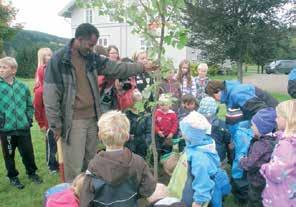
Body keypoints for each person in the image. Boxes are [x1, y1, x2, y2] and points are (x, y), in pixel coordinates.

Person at [43, 23, 157, 182]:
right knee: (74, 167)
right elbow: (50, 95)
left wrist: (141, 67)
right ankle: (74, 198)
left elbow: (117, 67)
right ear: (79, 39)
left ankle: (88, 194)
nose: (92, 48)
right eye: (90, 44)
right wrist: (55, 125)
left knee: (90, 163)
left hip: (93, 118)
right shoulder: (59, 60)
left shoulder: (92, 58)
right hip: (73, 121)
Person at [79, 110, 168, 207]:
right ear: (127, 136)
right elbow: (148, 189)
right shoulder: (138, 162)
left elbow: (85, 200)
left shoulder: (93, 167)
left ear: (100, 136)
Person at [168, 111, 231, 207]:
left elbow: (203, 183)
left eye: (183, 131)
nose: (181, 133)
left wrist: (198, 202)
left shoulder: (200, 159)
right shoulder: (197, 143)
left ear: (190, 135)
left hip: (192, 196)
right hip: (186, 187)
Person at [0, 57, 42, 189]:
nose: (0, 70)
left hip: (23, 128)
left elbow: (30, 105)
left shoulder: (23, 87)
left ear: (13, 70)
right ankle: (13, 176)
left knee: (28, 153)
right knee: (9, 155)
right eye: (0, 67)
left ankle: (32, 173)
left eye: (4, 67)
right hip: (6, 129)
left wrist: (28, 118)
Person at [260, 100, 296, 206]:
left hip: (282, 197)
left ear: (287, 119)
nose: (275, 119)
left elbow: (277, 173)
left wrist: (265, 167)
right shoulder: (292, 140)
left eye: (278, 116)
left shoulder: (286, 145)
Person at [239, 108, 277, 207]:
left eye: (253, 125)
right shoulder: (275, 139)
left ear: (262, 128)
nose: (251, 127)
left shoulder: (260, 146)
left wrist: (242, 160)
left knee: (254, 201)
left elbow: (249, 164)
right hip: (268, 180)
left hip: (257, 182)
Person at [33, 47, 58, 174]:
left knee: (59, 142)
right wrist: (41, 123)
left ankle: (59, 162)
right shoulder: (40, 91)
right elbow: (37, 108)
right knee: (51, 144)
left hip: (57, 120)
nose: (49, 57)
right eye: (46, 55)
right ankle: (51, 165)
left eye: (50, 54)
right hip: (48, 123)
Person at [205, 80, 278, 120]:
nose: (215, 100)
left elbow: (263, 111)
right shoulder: (229, 95)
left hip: (274, 116)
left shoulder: (238, 94)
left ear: (218, 91)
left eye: (213, 97)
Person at [198, 97, 233, 165]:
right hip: (218, 157)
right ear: (216, 110)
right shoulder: (222, 124)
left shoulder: (196, 124)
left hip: (204, 158)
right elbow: (228, 141)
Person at [124, 89, 151, 158]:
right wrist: (128, 136)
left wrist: (146, 142)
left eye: (139, 102)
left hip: (142, 144)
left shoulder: (146, 115)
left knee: (141, 160)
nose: (137, 104)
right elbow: (123, 128)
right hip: (129, 143)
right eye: (135, 101)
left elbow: (149, 131)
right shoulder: (127, 114)